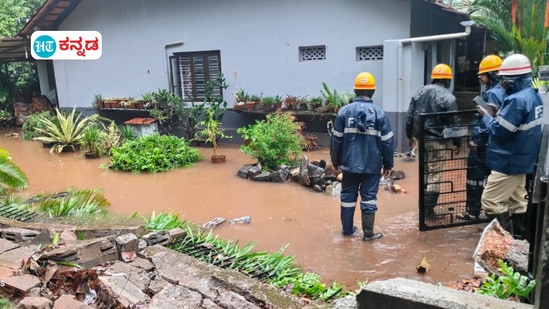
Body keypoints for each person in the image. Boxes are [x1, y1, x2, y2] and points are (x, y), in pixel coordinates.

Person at [477, 53, 543, 236]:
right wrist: (499, 113)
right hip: (523, 159)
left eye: (504, 79)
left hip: (508, 161)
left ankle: (502, 246)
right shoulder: (533, 95)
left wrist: (486, 116)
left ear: (514, 79)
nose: (502, 83)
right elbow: (517, 124)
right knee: (517, 201)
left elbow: (500, 132)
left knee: (490, 201)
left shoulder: (516, 100)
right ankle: (520, 239)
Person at [330, 72, 394, 241]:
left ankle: (347, 231)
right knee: (369, 198)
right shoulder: (379, 113)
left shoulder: (344, 112)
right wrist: (388, 164)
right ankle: (368, 234)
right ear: (372, 91)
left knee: (348, 197)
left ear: (355, 90)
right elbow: (387, 142)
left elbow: (336, 139)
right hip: (372, 165)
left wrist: (335, 161)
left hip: (349, 164)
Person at [406, 64, 460, 217]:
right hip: (438, 140)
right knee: (435, 174)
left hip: (421, 139)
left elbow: (409, 116)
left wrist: (410, 136)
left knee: (425, 172)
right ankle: (428, 212)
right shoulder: (449, 98)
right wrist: (457, 143)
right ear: (448, 80)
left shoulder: (419, 92)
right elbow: (454, 122)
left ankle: (423, 207)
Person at [458, 55, 507, 220]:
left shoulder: (492, 93)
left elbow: (487, 120)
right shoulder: (504, 91)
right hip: (496, 143)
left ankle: (473, 211)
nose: (479, 76)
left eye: (483, 74)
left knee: (475, 176)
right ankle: (490, 211)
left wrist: (476, 140)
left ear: (492, 74)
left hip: (485, 142)